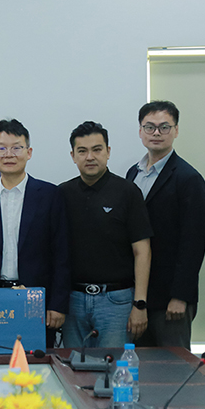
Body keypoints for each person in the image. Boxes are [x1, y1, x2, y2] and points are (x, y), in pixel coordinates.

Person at [0, 119, 69, 348]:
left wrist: (57, 304)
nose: (8, 154)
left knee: (35, 361)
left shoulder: (50, 194)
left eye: (16, 148)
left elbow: (62, 253)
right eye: (1, 148)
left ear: (29, 152)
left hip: (34, 298)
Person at [60, 121, 152, 348]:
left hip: (116, 301)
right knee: (73, 367)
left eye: (97, 149)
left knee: (115, 367)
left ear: (108, 152)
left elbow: (142, 251)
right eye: (82, 151)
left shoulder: (128, 192)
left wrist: (139, 304)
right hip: (72, 301)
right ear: (73, 156)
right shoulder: (62, 194)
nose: (90, 157)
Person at [125, 100, 205, 349]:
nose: (156, 133)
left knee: (173, 365)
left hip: (170, 298)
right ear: (140, 131)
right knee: (138, 364)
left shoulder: (189, 179)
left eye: (164, 127)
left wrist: (180, 296)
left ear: (176, 130)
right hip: (137, 295)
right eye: (149, 127)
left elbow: (193, 243)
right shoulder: (133, 174)